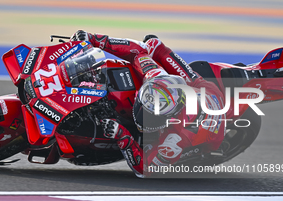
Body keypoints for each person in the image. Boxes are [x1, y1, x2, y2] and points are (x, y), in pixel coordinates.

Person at [70, 30, 226, 178]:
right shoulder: (154, 74)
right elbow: (138, 50)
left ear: (170, 119)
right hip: (198, 88)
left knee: (151, 149)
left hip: (211, 120)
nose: (141, 116)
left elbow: (146, 170)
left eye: (151, 117)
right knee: (154, 44)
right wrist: (93, 39)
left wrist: (123, 136)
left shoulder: (175, 139)